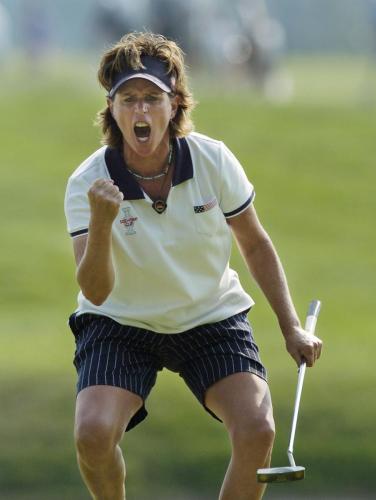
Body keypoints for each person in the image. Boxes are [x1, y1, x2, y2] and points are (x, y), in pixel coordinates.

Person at [64, 31, 322, 500]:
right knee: (93, 435)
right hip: (120, 321)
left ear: (175, 103)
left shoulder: (212, 159)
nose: (140, 111)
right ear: (112, 108)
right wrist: (102, 224)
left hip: (209, 316)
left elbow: (255, 243)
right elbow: (96, 292)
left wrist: (291, 328)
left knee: (258, 429)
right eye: (128, 99)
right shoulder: (89, 181)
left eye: (151, 99)